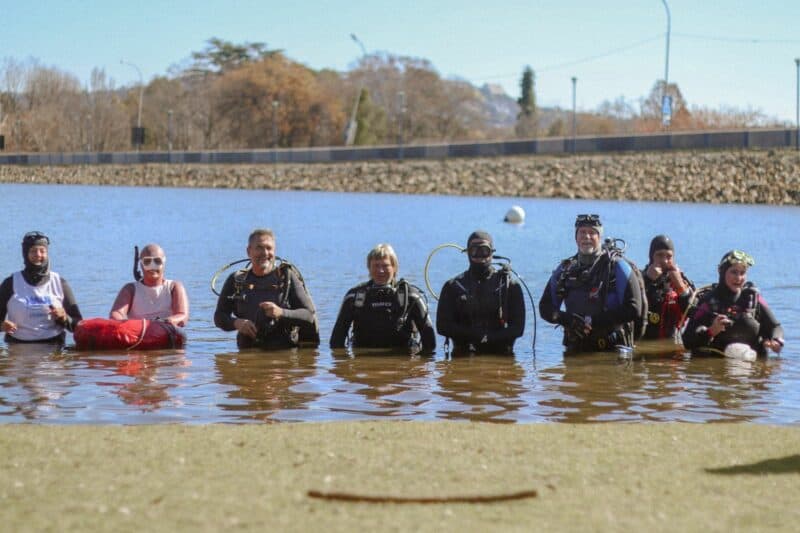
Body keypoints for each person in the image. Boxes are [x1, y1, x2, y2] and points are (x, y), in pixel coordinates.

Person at [539, 214, 643, 353]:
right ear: (576, 238)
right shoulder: (565, 269)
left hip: (613, 349)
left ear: (599, 237)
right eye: (582, 232)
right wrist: (568, 320)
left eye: (592, 232)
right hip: (576, 347)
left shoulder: (617, 267)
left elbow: (634, 309)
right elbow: (545, 308)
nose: (586, 237)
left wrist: (592, 321)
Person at [214, 228, 319, 349]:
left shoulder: (287, 278)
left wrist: (281, 313)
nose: (265, 253)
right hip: (247, 354)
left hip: (284, 354)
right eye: (259, 247)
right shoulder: (236, 280)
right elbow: (219, 317)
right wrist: (236, 323)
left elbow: (309, 315)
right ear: (249, 251)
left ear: (274, 251)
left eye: (269, 248)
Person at [330, 244, 435, 353]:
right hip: (364, 363)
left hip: (403, 361)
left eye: (385, 266)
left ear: (394, 267)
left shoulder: (411, 296)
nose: (380, 271)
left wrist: (419, 366)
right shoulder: (354, 297)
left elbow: (430, 342)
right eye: (376, 265)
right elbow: (336, 340)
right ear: (369, 268)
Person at [436, 231, 525, 354]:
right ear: (467, 252)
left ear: (492, 252)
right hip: (463, 357)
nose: (479, 256)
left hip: (500, 358)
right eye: (474, 250)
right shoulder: (453, 287)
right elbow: (442, 326)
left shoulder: (510, 286)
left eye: (484, 250)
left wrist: (489, 337)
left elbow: (518, 328)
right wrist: (474, 335)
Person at [682, 250, 783, 357]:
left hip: (750, 362)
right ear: (721, 271)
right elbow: (687, 342)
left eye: (742, 273)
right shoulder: (708, 302)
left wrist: (776, 341)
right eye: (734, 272)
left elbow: (775, 327)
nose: (738, 278)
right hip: (717, 367)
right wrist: (711, 331)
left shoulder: (753, 298)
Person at [0, 231, 83, 343]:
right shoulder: (10, 283)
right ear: (25, 254)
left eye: (42, 251)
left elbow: (79, 326)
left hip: (54, 348)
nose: (38, 255)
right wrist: (2, 326)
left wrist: (64, 318)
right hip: (18, 347)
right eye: (33, 251)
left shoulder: (59, 282)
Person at [109, 244, 189, 326]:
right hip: (136, 333)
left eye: (157, 261)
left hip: (166, 331)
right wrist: (125, 324)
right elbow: (116, 313)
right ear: (141, 265)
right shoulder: (130, 289)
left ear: (164, 263)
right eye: (147, 262)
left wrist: (165, 321)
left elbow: (182, 316)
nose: (152, 266)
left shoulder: (174, 287)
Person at [641, 235, 695, 341]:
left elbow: (695, 314)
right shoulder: (639, 278)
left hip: (672, 344)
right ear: (651, 257)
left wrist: (681, 288)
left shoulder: (682, 282)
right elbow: (633, 309)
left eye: (669, 256)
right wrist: (647, 280)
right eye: (660, 255)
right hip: (644, 342)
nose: (665, 261)